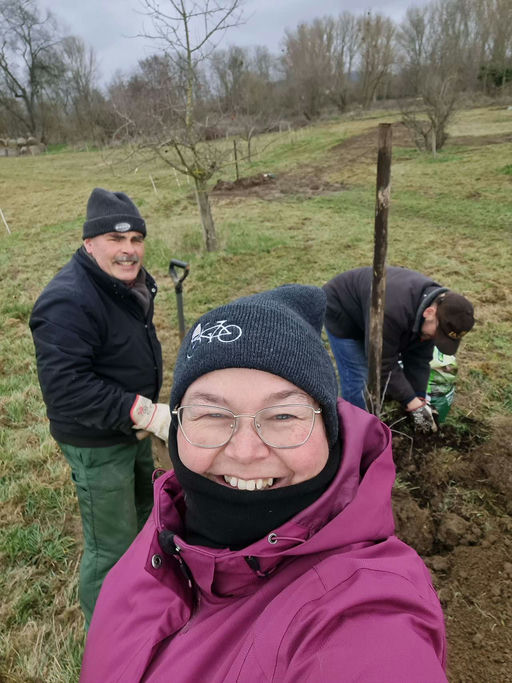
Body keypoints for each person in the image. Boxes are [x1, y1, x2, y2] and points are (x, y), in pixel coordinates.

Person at [80, 285, 448, 682]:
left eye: (284, 416)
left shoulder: (366, 619)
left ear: (330, 433)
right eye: (212, 414)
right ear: (179, 425)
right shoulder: (168, 524)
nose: (245, 452)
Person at [29, 188, 171, 627]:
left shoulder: (125, 283)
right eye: (116, 239)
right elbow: (67, 389)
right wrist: (144, 411)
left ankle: (143, 596)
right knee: (110, 543)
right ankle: (106, 635)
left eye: (136, 239)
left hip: (131, 426)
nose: (129, 250)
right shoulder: (67, 300)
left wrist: (141, 414)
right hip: (96, 439)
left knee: (145, 514)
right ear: (89, 243)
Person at [323, 266, 475, 431]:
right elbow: (383, 363)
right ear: (429, 312)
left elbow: (419, 359)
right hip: (343, 309)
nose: (436, 338)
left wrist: (418, 398)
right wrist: (410, 401)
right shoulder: (392, 311)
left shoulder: (438, 310)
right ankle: (356, 429)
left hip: (377, 314)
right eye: (439, 334)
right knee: (359, 377)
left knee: (389, 371)